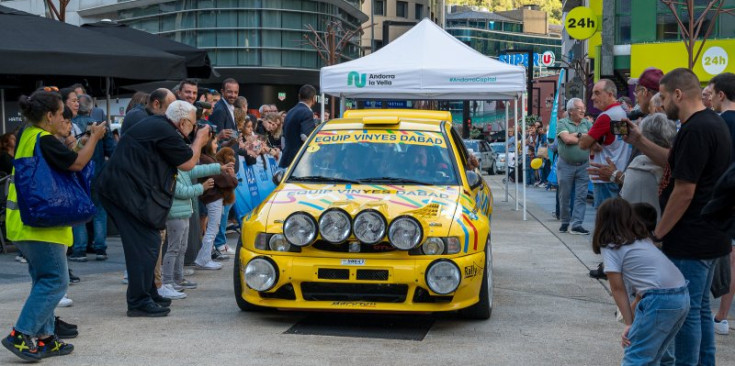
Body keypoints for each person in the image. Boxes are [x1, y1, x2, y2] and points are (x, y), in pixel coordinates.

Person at [624, 68, 732, 364]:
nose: (659, 102)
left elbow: (684, 190)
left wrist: (658, 234)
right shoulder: (709, 124)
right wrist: (640, 142)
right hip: (708, 236)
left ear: (678, 95)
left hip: (692, 238)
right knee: (697, 310)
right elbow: (675, 162)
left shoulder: (696, 129)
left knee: (685, 316)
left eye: (662, 95)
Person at [2, 90, 107, 361]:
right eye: (62, 114)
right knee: (55, 281)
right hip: (41, 227)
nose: (65, 119)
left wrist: (78, 140)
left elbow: (60, 156)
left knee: (43, 280)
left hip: (26, 223)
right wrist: (94, 138)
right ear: (49, 116)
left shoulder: (29, 135)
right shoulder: (44, 138)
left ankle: (46, 338)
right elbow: (78, 163)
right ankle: (21, 334)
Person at [96, 101, 210, 317]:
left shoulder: (161, 126)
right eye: (193, 125)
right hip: (123, 194)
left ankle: (148, 292)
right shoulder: (164, 129)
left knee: (150, 242)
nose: (195, 128)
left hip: (129, 192)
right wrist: (200, 140)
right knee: (144, 245)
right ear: (184, 122)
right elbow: (188, 163)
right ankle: (138, 301)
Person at [593, 198, 689, 366]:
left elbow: (617, 288)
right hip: (681, 296)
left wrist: (629, 323)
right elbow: (646, 287)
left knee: (636, 357)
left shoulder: (610, 245)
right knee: (656, 357)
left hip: (660, 299)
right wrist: (634, 320)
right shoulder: (642, 239)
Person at [68, 94, 117, 261]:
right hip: (98, 173)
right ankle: (100, 248)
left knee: (79, 211)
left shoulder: (70, 125)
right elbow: (112, 151)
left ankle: (79, 249)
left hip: (76, 173)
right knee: (99, 211)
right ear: (91, 109)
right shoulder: (100, 127)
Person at [708, 72, 735, 335]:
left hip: (720, 198)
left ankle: (709, 312)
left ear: (721, 95)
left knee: (718, 258)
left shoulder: (718, 124)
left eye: (712, 92)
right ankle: (722, 317)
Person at [579, 79, 631, 208]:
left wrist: (583, 137)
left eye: (597, 93)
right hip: (619, 173)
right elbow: (617, 140)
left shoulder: (606, 116)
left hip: (605, 176)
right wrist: (593, 142)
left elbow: (583, 144)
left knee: (606, 221)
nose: (592, 98)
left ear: (610, 94)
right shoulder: (620, 112)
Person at [195, 136, 237, 270]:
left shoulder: (207, 158)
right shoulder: (206, 159)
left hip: (213, 197)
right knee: (212, 229)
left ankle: (203, 258)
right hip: (213, 197)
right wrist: (232, 177)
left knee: (213, 228)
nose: (216, 145)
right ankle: (203, 259)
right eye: (214, 143)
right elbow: (224, 179)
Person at [556, 98, 592, 234]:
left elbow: (593, 138)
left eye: (583, 107)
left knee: (581, 196)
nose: (583, 110)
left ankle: (577, 224)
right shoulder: (562, 123)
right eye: (579, 108)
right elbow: (567, 139)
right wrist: (582, 136)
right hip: (565, 164)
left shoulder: (587, 123)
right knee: (564, 195)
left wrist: (576, 135)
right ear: (571, 111)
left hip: (584, 165)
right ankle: (565, 221)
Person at [280, 84, 317, 168]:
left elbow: (283, 136)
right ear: (314, 98)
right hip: (299, 161)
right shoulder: (307, 112)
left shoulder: (290, 111)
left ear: (299, 96)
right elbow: (305, 136)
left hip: (286, 158)